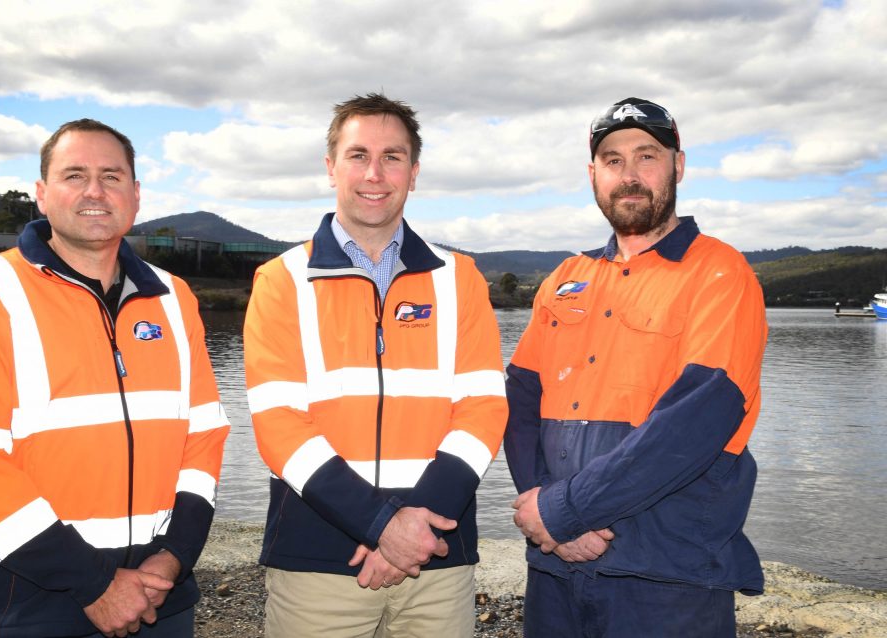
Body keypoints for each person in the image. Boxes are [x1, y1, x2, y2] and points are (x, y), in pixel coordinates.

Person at [0, 119, 230, 637]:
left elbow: (203, 440)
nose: (95, 191)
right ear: (43, 194)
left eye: (112, 176)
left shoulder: (173, 297)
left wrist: (174, 558)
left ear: (135, 195)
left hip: (161, 594)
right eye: (75, 175)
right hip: (31, 598)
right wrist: (95, 584)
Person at [243, 92, 508, 637]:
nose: (375, 173)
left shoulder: (460, 279)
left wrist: (415, 527)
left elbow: (483, 409)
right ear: (331, 167)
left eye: (393, 157)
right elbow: (278, 424)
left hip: (438, 552)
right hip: (318, 560)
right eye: (358, 154)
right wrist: (382, 525)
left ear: (413, 173)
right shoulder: (282, 279)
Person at [504, 97, 768, 637]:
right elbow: (519, 403)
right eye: (613, 160)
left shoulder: (719, 273)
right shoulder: (564, 278)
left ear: (679, 165)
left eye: (647, 156)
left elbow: (698, 421)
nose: (629, 175)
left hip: (667, 575)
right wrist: (544, 510)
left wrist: (563, 511)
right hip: (556, 566)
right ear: (593, 174)